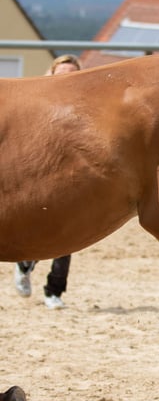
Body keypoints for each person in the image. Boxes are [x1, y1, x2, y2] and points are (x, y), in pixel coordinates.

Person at [14, 54, 82, 310]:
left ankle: (54, 291)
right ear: (51, 73)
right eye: (61, 71)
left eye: (72, 73)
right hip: (38, 175)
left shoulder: (83, 107)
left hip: (70, 177)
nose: (66, 77)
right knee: (37, 227)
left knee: (67, 235)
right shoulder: (35, 102)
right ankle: (25, 263)